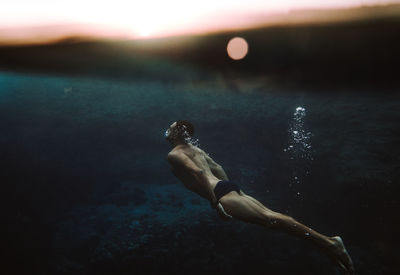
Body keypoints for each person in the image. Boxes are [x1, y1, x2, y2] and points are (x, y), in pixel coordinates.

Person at [165, 120, 355, 274]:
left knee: (269, 218)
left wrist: (216, 202)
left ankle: (330, 243)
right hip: (225, 187)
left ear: (178, 134)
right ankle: (326, 245)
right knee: (269, 218)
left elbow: (198, 173)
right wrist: (232, 189)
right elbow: (217, 167)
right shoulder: (196, 149)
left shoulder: (174, 154)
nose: (167, 131)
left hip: (219, 193)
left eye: (170, 128)